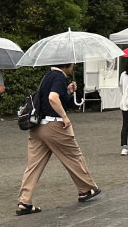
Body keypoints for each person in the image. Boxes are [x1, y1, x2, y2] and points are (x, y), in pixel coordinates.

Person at [17, 62, 100, 215]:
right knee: (73, 155)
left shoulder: (47, 76)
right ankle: (86, 188)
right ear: (66, 64)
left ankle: (25, 200)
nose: (74, 64)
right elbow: (53, 98)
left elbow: (52, 98)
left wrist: (67, 93)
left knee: (34, 165)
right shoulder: (59, 77)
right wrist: (65, 117)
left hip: (37, 128)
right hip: (53, 125)